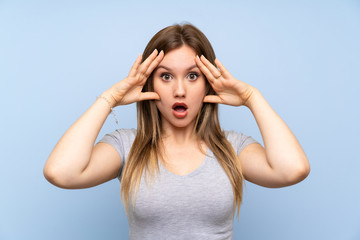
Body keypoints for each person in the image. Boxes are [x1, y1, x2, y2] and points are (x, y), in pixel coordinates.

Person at [44, 23, 310, 239]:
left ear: (208, 83)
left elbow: (293, 169)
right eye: (166, 76)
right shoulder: (127, 146)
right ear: (150, 83)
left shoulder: (233, 148)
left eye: (193, 76)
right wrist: (110, 98)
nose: (179, 90)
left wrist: (253, 98)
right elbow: (60, 172)